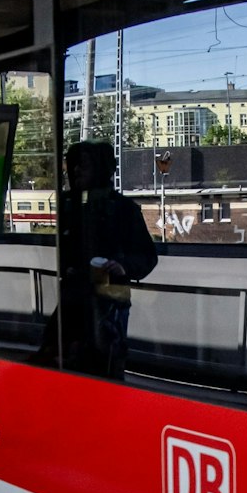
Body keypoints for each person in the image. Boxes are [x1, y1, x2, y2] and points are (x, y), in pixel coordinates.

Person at [53, 139, 158, 378]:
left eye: (84, 165)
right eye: (74, 165)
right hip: (75, 302)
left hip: (108, 306)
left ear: (101, 170)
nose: (77, 170)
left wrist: (123, 266)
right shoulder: (68, 205)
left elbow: (147, 256)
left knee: (105, 367)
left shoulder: (123, 210)